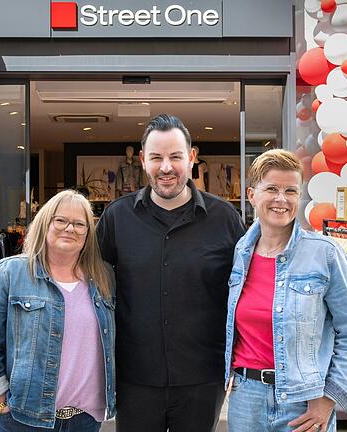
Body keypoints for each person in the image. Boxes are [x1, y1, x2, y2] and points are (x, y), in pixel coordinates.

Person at [97, 114, 246, 432]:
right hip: (134, 378)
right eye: (156, 158)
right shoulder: (116, 218)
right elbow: (92, 288)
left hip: (202, 379)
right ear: (142, 160)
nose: (166, 167)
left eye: (175, 157)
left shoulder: (225, 219)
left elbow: (246, 293)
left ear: (191, 158)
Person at [224, 149, 347, 432]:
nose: (281, 199)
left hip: (304, 402)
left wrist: (328, 399)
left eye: (291, 191)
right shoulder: (241, 251)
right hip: (245, 398)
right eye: (272, 189)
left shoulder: (324, 253)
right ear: (252, 195)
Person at [0, 190, 116, 431]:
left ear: (88, 234)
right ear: (44, 224)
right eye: (60, 220)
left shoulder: (104, 277)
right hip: (23, 416)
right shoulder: (8, 273)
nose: (70, 228)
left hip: (87, 418)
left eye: (80, 224)